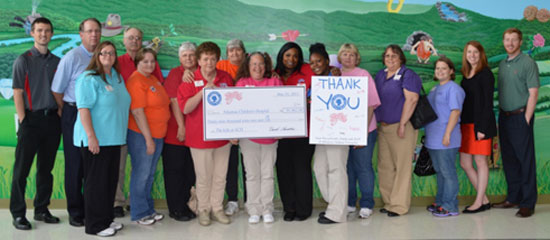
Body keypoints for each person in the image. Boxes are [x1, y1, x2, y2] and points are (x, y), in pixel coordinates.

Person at [74, 41, 130, 236]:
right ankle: (95, 225)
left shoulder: (116, 76)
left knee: (109, 182)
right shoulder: (89, 78)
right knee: (96, 183)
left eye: (112, 53)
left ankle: (106, 219)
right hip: (97, 140)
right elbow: (84, 109)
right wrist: (91, 137)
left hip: (114, 139)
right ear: (96, 56)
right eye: (103, 53)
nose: (108, 56)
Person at [10, 17, 61, 230]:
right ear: (32, 33)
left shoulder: (57, 61)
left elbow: (60, 90)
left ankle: (41, 209)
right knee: (22, 170)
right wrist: (23, 120)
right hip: (30, 120)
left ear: (51, 34)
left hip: (51, 121)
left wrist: (59, 111)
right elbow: (17, 92)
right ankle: (18, 214)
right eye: (39, 30)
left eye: (47, 31)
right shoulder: (23, 60)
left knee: (45, 169)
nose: (43, 34)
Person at [51, 17, 102, 227]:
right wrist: (66, 109)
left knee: (94, 164)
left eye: (97, 31)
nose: (94, 35)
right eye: (89, 31)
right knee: (75, 165)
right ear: (81, 34)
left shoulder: (104, 56)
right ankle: (75, 211)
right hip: (74, 113)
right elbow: (57, 89)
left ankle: (93, 208)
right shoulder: (72, 57)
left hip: (98, 116)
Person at [177, 41, 234, 226]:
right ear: (199, 61)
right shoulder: (189, 80)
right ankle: (203, 209)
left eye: (212, 58)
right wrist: (203, 92)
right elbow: (185, 108)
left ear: (218, 60)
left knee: (220, 176)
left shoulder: (225, 78)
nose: (209, 62)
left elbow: (234, 105)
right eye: (205, 59)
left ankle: (217, 208)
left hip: (222, 139)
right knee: (203, 177)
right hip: (199, 139)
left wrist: (234, 132)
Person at [114, 27, 164, 217]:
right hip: (126, 123)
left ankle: (141, 206)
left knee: (145, 171)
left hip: (148, 128)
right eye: (130, 38)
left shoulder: (151, 70)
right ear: (124, 41)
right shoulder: (117, 63)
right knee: (123, 167)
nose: (134, 41)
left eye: (138, 38)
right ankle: (121, 203)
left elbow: (157, 87)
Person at [493, 28, 539, 218]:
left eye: (514, 40)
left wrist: (526, 118)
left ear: (520, 42)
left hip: (521, 116)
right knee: (510, 160)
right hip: (504, 117)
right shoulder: (503, 64)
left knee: (525, 160)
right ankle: (513, 198)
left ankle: (528, 203)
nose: (510, 43)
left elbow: (534, 92)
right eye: (507, 40)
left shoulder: (528, 63)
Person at [234, 52, 282, 224]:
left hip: (270, 139)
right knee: (252, 175)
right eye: (254, 64)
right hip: (249, 139)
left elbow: (282, 107)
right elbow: (236, 111)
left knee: (268, 175)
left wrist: (281, 128)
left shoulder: (275, 82)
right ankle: (254, 209)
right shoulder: (242, 83)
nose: (257, 68)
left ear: (266, 66)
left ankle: (267, 208)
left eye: (261, 64)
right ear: (248, 66)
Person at [374, 44, 421, 217]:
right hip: (383, 127)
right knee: (385, 166)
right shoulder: (380, 75)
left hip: (402, 127)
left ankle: (399, 206)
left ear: (401, 58)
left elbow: (412, 99)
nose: (390, 59)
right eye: (387, 56)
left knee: (402, 167)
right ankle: (389, 202)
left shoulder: (408, 75)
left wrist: (402, 124)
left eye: (394, 56)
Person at [337, 43, 381, 220]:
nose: (348, 57)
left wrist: (362, 132)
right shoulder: (335, 75)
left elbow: (371, 104)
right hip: (341, 131)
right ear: (340, 57)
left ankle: (367, 203)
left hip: (365, 129)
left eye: (352, 54)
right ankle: (349, 202)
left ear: (357, 58)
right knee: (346, 168)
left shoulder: (364, 75)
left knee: (363, 167)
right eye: (345, 54)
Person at [126, 48, 170, 225]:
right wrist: (148, 139)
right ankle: (139, 212)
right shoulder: (136, 80)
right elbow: (137, 112)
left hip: (158, 134)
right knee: (141, 174)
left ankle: (148, 209)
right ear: (137, 63)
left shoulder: (152, 79)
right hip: (142, 136)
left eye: (152, 61)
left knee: (150, 174)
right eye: (145, 61)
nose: (150, 64)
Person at [274, 42, 315, 221]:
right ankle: (289, 208)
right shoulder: (274, 74)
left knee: (302, 171)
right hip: (280, 133)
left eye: (295, 55)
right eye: (288, 55)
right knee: (283, 171)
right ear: (282, 56)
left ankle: (303, 209)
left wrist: (333, 71)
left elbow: (323, 73)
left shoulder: (307, 70)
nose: (292, 59)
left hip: (303, 131)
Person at [458, 41, 496, 214]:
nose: (472, 55)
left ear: (481, 54)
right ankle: (485, 199)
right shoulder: (465, 74)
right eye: (469, 52)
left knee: (480, 162)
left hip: (480, 125)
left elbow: (488, 103)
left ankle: (479, 202)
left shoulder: (486, 74)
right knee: (465, 163)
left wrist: (482, 127)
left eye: (475, 52)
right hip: (466, 124)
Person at [161, 42, 198, 221]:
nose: (189, 58)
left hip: (195, 134)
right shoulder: (176, 74)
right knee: (175, 171)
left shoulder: (200, 72)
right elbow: (174, 101)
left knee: (189, 172)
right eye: (185, 55)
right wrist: (181, 126)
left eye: (192, 55)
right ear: (179, 58)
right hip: (176, 133)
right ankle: (175, 209)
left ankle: (186, 205)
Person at [425, 57, 465, 217]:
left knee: (448, 172)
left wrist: (447, 134)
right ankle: (441, 202)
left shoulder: (453, 89)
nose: (440, 71)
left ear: (451, 71)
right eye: (437, 68)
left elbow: (455, 112)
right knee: (440, 172)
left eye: (444, 68)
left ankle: (451, 206)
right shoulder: (435, 89)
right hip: (433, 138)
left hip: (446, 138)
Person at [216, 39, 247, 216]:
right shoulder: (220, 66)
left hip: (249, 122)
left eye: (238, 50)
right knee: (230, 164)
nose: (234, 54)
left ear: (244, 52)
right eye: (231, 51)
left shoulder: (251, 66)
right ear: (226, 54)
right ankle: (233, 200)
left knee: (248, 164)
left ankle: (251, 201)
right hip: (228, 124)